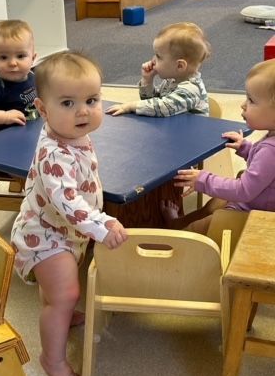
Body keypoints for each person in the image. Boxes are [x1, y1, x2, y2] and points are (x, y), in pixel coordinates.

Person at [11, 51, 128, 376]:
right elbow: (68, 203)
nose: (83, 111)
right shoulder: (54, 153)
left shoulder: (73, 135)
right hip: (43, 235)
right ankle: (53, 359)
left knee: (59, 291)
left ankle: (59, 309)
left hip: (66, 232)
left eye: (92, 100)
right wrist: (102, 223)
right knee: (66, 293)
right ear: (43, 110)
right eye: (68, 102)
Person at [161, 59, 275, 235]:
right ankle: (178, 223)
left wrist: (203, 180)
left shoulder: (270, 150)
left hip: (255, 214)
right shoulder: (270, 143)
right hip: (257, 201)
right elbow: (267, 168)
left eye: (251, 100)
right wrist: (246, 148)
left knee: (198, 230)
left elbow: (243, 190)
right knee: (215, 203)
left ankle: (179, 235)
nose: (243, 104)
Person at [106, 22, 210, 117]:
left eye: (159, 56)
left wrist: (130, 106)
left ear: (180, 66)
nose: (153, 60)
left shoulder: (191, 89)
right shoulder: (171, 80)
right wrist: (147, 81)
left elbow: (162, 108)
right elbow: (151, 103)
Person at [0, 19, 37, 133]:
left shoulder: (32, 76)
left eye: (20, 56)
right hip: (6, 142)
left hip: (33, 133)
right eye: (3, 57)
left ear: (33, 59)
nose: (12, 63)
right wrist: (5, 117)